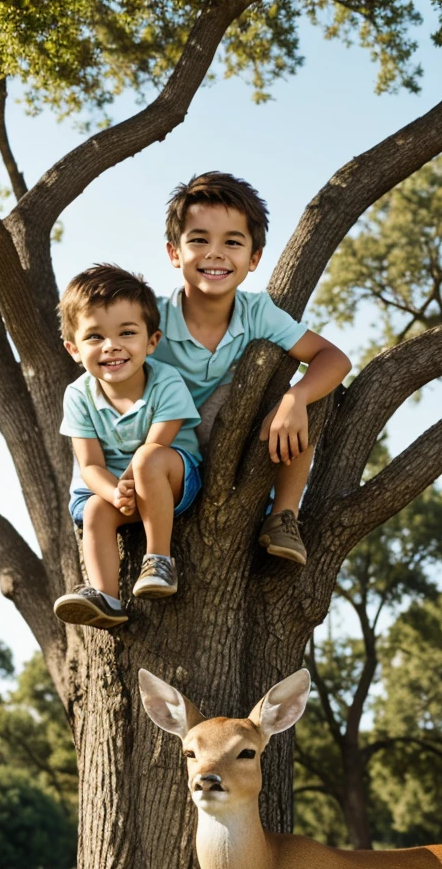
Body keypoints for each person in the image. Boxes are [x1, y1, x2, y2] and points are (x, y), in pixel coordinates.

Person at [153, 172, 351, 566]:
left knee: (306, 395)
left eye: (232, 242)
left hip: (236, 446)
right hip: (167, 456)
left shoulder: (257, 312)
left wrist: (295, 398)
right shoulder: (151, 319)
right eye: (198, 240)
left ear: (254, 258)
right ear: (174, 253)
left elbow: (335, 359)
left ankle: (283, 516)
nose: (215, 253)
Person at [53, 265, 202, 629]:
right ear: (74, 349)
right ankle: (105, 597)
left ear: (152, 342)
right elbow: (88, 465)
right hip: (116, 487)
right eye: (94, 337)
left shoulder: (166, 382)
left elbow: (156, 446)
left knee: (147, 456)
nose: (111, 345)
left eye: (127, 332)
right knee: (95, 512)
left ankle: (159, 560)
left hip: (170, 480)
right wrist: (113, 493)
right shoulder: (78, 395)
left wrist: (130, 485)